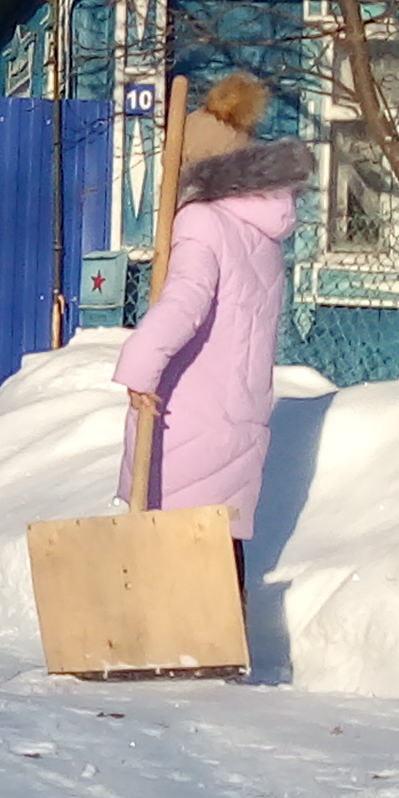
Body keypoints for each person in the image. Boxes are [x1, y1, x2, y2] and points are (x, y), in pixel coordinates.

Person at [113, 70, 307, 570]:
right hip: (238, 414)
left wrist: (139, 366)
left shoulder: (202, 220)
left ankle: (178, 624)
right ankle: (228, 623)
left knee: (175, 558)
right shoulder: (261, 234)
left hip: (188, 417)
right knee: (219, 553)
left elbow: (185, 303)